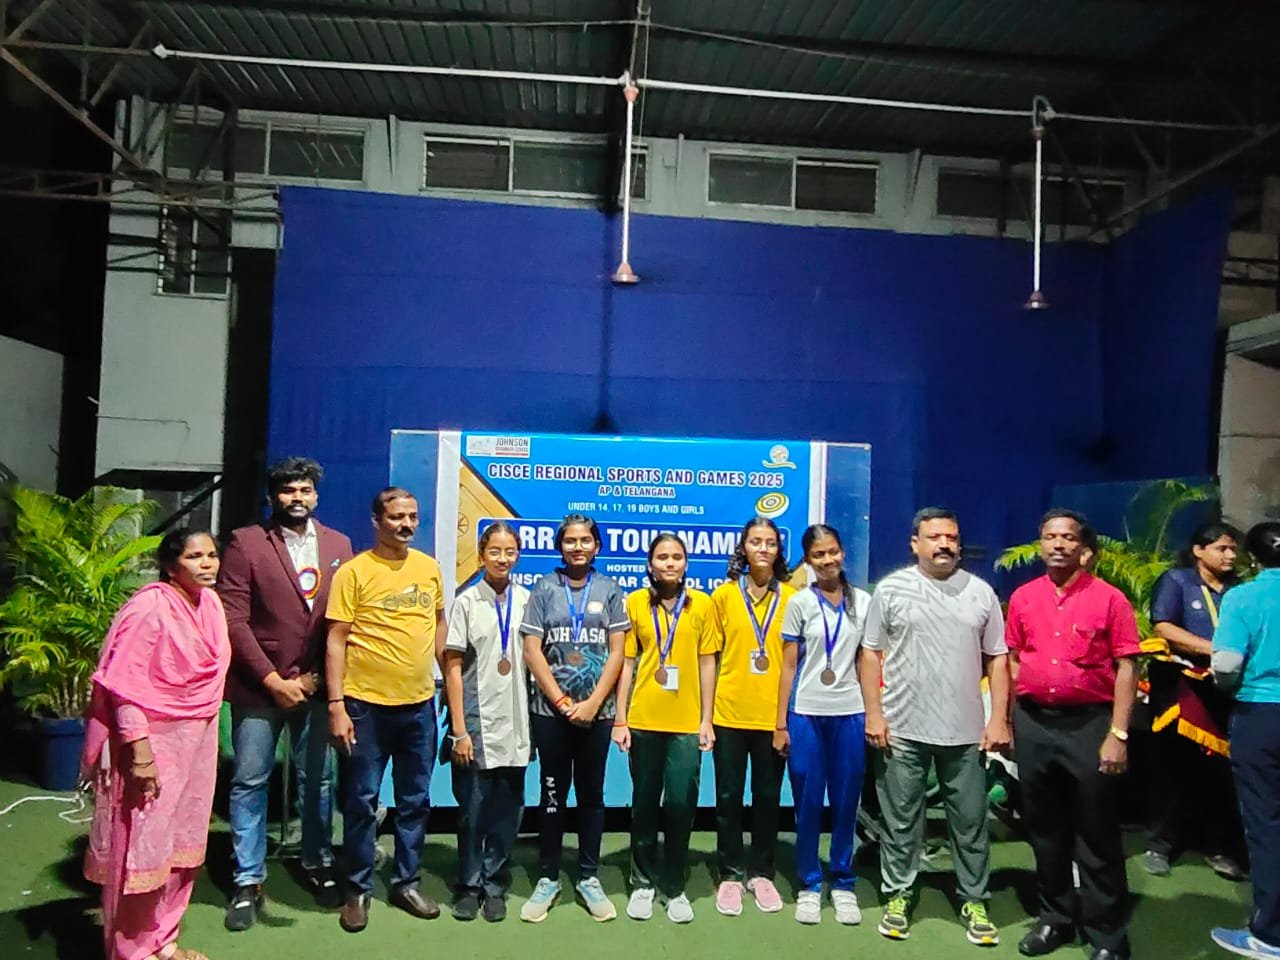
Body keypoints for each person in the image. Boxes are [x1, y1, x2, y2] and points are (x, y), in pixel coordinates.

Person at [860, 507, 1009, 946]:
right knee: (901, 821)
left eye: (952, 537)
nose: (945, 544)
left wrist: (998, 718)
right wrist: (874, 713)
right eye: (935, 537)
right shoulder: (891, 590)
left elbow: (998, 658)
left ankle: (974, 898)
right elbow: (870, 654)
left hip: (966, 734)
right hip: (902, 729)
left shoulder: (980, 593)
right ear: (915, 543)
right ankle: (899, 893)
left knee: (970, 822)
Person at [81, 528, 231, 960]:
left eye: (211, 555)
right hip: (152, 742)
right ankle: (132, 950)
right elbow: (124, 686)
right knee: (143, 846)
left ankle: (163, 941)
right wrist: (141, 753)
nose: (207, 563)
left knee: (184, 843)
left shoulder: (211, 605)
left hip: (197, 740)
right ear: (170, 565)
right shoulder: (149, 607)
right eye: (195, 557)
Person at [218, 457, 353, 930]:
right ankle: (247, 879)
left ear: (316, 495)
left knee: (318, 781)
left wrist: (314, 678)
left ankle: (317, 862)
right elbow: (233, 618)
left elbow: (342, 619)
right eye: (289, 490)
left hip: (316, 685)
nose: (298, 498)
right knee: (250, 781)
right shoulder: (245, 542)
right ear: (273, 496)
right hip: (259, 687)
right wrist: (273, 680)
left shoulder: (339, 544)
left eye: (305, 490)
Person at [1006, 509, 1140, 960]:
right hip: (1034, 724)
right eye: (1050, 537)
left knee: (1096, 831)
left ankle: (1107, 935)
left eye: (1067, 537)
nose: (1058, 544)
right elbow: (1014, 659)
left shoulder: (1110, 600)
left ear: (1083, 548)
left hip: (1090, 726)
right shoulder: (1024, 597)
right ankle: (1055, 919)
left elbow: (1127, 666)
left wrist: (1118, 733)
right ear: (1040, 545)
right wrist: (1010, 720)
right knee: (1045, 830)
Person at [325, 487, 447, 933]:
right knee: (361, 802)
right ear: (377, 521)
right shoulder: (354, 573)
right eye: (396, 517)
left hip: (419, 707)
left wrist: (449, 682)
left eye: (412, 516)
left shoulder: (428, 568)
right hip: (365, 708)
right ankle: (357, 890)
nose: (406, 524)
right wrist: (336, 705)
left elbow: (438, 625)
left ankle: (406, 883)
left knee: (415, 801)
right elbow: (336, 640)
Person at [519, 513, 629, 923]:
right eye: (570, 541)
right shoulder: (544, 588)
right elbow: (532, 650)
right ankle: (548, 877)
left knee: (591, 795)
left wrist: (594, 703)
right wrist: (563, 702)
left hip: (597, 714)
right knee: (552, 793)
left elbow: (617, 652)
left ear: (596, 546)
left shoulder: (610, 589)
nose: (577, 547)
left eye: (585, 540)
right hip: (551, 712)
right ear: (560, 546)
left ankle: (588, 876)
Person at [612, 534, 718, 924]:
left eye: (676, 557)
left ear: (686, 563)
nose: (669, 563)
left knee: (679, 805)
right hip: (643, 721)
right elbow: (626, 663)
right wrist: (620, 718)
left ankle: (674, 886)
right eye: (662, 557)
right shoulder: (635, 603)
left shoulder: (702, 604)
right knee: (643, 805)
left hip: (686, 724)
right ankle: (642, 882)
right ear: (650, 564)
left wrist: (706, 720)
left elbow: (708, 662)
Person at [775, 524, 870, 927]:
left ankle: (843, 881)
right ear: (808, 561)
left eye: (833, 552)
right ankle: (810, 883)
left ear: (842, 552)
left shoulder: (863, 602)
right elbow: (788, 666)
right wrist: (780, 723)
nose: (827, 560)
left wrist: (874, 713)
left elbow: (868, 661)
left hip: (850, 712)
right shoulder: (799, 602)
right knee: (809, 801)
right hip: (806, 714)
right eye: (818, 555)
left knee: (846, 802)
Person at [1145, 522, 1246, 881]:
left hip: (1226, 691)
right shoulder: (1177, 581)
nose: (1230, 555)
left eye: (1233, 549)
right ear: (1198, 551)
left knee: (1220, 775)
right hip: (1182, 689)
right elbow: (1163, 627)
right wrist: (1217, 650)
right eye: (1222, 548)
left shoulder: (1239, 590)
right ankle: (1160, 845)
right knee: (1174, 770)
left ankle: (1218, 847)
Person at [442, 521, 530, 923]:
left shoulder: (528, 601)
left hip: (517, 724)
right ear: (481, 555)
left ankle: (495, 884)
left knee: (508, 812)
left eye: (510, 552)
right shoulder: (466, 602)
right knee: (472, 811)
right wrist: (459, 730)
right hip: (476, 724)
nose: (502, 559)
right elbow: (453, 668)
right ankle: (468, 885)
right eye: (495, 551)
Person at [710, 516, 796, 917]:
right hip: (728, 713)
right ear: (743, 548)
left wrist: (784, 721)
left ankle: (761, 872)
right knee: (727, 797)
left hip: (772, 718)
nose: (763, 548)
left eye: (770, 543)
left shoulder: (793, 598)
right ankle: (729, 873)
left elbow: (795, 663)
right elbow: (710, 658)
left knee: (767, 798)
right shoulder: (723, 596)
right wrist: (706, 716)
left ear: (779, 550)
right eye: (756, 541)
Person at [1210, 521, 1280, 960]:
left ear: (1253, 559)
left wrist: (1227, 690)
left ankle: (1270, 934)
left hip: (1261, 716)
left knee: (1267, 824)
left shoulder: (1243, 597)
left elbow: (1226, 665)